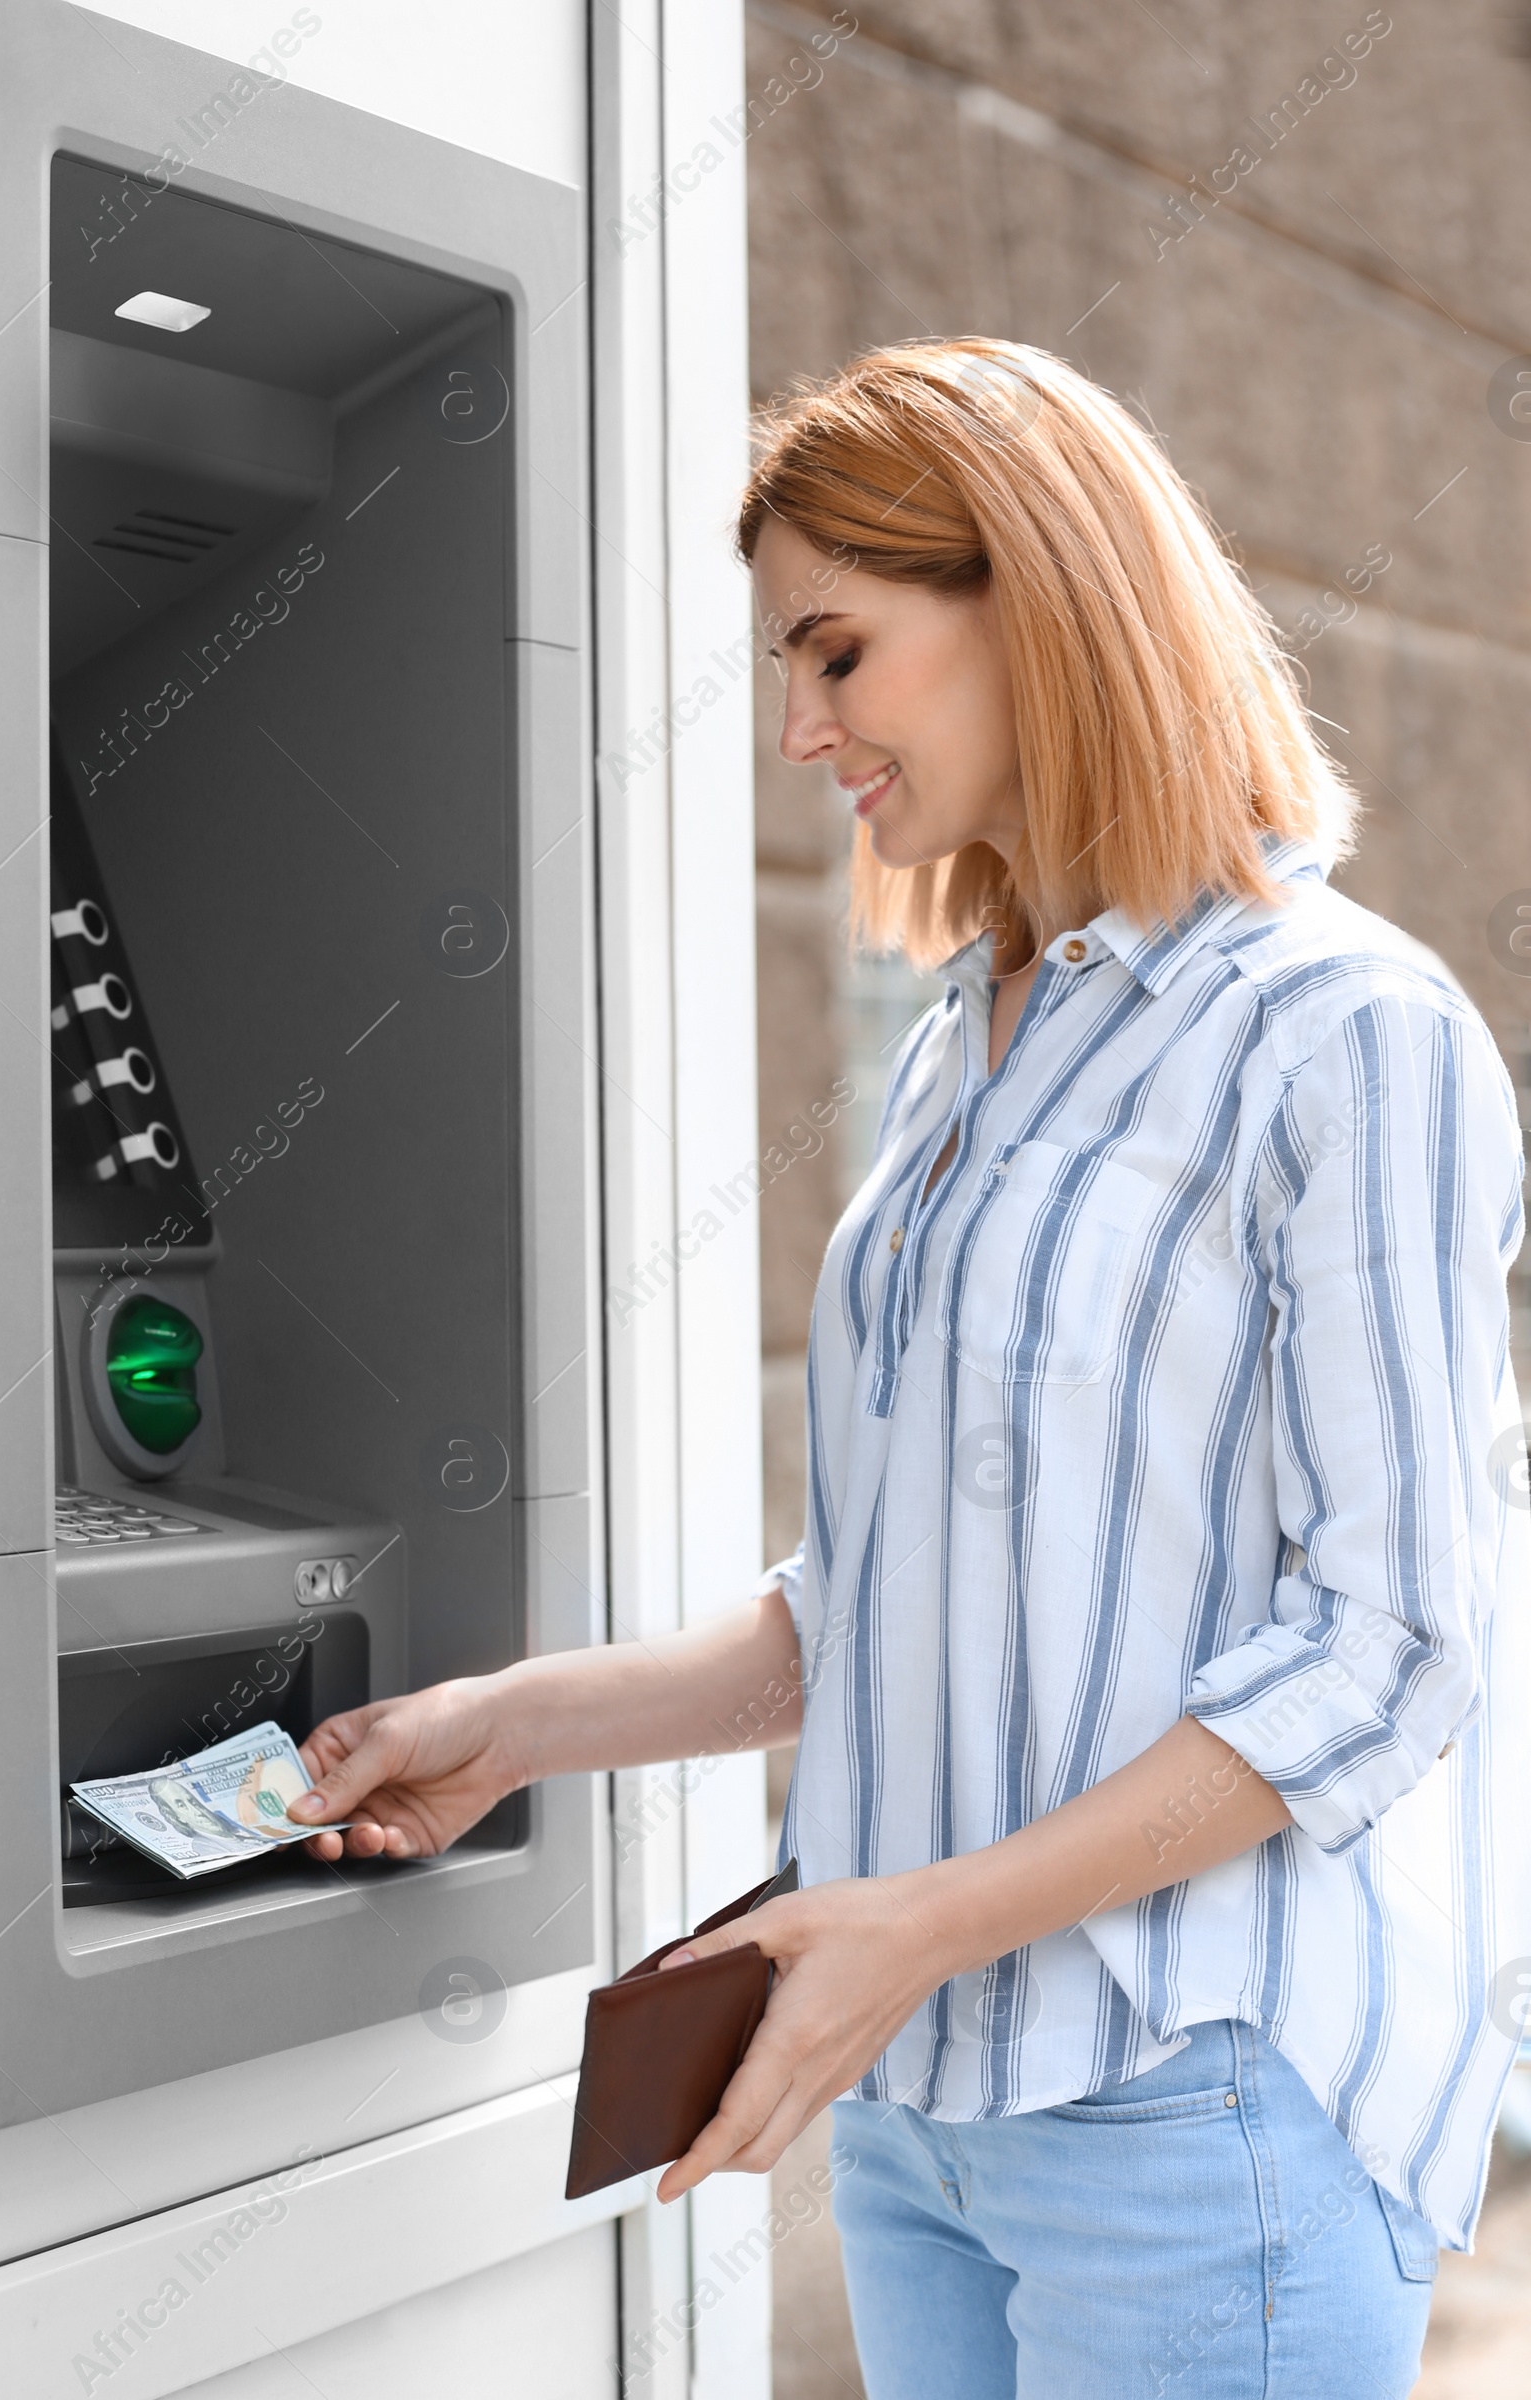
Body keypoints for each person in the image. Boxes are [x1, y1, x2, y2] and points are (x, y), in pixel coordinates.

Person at [288, 340, 1529, 2397]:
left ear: (1030, 597)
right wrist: (511, 1724)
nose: (796, 727)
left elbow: (1394, 1639)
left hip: (1191, 2104)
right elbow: (884, 1608)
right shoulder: (973, 1041)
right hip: (918, 2101)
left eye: (836, 652)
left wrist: (915, 1923)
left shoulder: (1342, 1032)